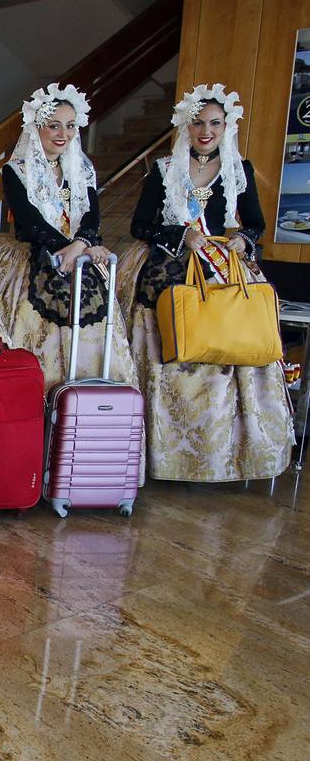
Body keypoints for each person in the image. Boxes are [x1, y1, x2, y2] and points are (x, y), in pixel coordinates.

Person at [122, 84, 293, 481]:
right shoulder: (164, 170)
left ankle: (223, 454)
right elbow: (139, 225)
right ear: (186, 124)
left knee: (233, 334)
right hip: (170, 265)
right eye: (198, 122)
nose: (206, 131)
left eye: (215, 123)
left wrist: (241, 239)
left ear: (225, 127)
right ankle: (163, 452)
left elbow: (256, 225)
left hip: (221, 264)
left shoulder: (239, 169)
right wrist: (182, 235)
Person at [0, 83, 139, 393]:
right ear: (38, 127)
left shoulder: (82, 167)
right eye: (54, 125)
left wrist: (82, 243)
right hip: (34, 258)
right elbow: (29, 222)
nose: (63, 133)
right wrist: (70, 247)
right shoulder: (16, 170)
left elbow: (92, 214)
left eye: (70, 126)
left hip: (82, 258)